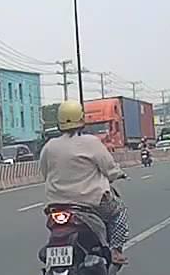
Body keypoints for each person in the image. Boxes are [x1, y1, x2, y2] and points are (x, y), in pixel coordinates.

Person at [39, 100, 130, 264]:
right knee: (118, 213)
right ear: (81, 119)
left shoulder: (49, 146)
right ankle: (116, 251)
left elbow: (45, 173)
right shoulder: (91, 142)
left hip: (56, 204)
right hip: (91, 202)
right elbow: (109, 168)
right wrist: (119, 174)